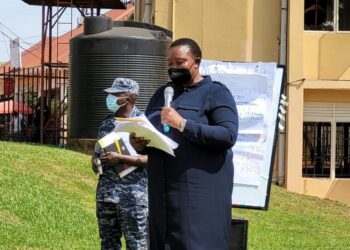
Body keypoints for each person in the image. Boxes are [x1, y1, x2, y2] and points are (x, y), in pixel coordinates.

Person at [130, 38, 239, 250]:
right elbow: (151, 131)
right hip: (162, 196)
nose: (173, 68)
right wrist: (139, 143)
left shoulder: (216, 93)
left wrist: (183, 124)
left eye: (179, 62)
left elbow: (227, 135)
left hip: (197, 198)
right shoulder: (162, 94)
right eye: (169, 64)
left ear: (196, 62)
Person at [91, 78, 148, 250]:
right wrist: (94, 161)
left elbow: (151, 160)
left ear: (130, 97)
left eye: (116, 94)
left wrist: (121, 159)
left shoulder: (144, 124)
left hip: (133, 196)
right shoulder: (106, 123)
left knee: (136, 244)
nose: (111, 97)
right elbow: (96, 151)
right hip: (106, 194)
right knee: (108, 244)